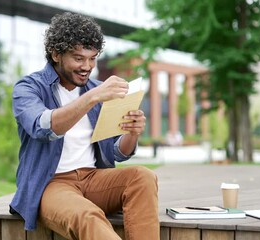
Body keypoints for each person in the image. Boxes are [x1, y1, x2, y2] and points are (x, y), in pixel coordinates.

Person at [9, 12, 159, 240]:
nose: (87, 67)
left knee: (143, 177)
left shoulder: (97, 90)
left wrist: (132, 133)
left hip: (94, 179)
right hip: (51, 185)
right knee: (88, 215)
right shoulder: (29, 88)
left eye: (92, 58)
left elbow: (117, 152)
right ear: (56, 54)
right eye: (79, 58)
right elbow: (43, 127)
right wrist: (92, 97)